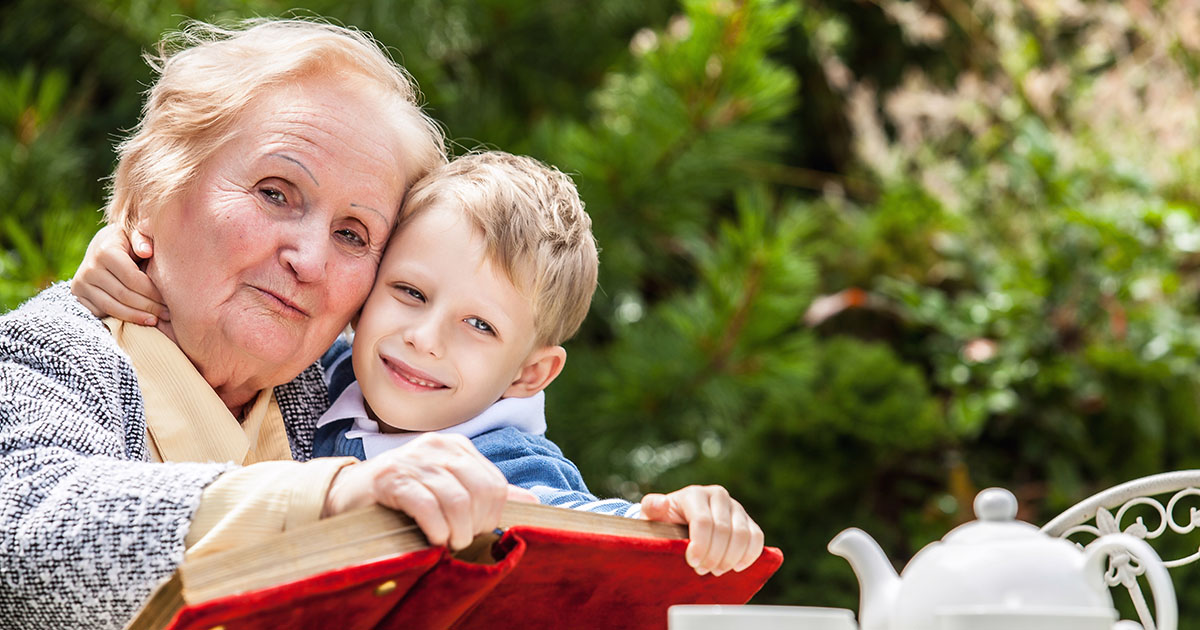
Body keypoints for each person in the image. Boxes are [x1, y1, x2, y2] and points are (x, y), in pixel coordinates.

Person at [0, 18, 513, 630]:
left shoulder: (346, 389)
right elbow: (24, 539)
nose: (310, 260)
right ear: (150, 192)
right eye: (275, 193)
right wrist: (329, 499)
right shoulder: (47, 352)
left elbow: (517, 466)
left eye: (353, 235)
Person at [77, 150, 767, 577]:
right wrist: (129, 254)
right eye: (409, 293)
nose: (425, 339)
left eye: (479, 325)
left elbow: (576, 535)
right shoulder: (328, 375)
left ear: (528, 374)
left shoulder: (508, 463)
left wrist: (673, 524)